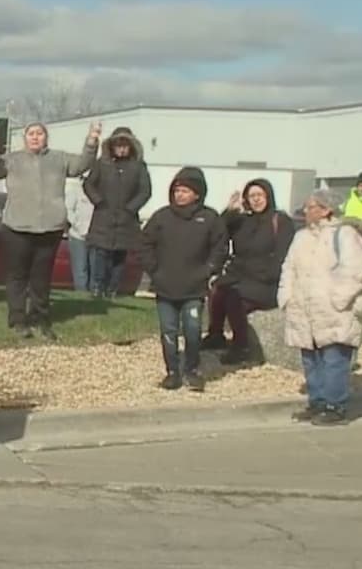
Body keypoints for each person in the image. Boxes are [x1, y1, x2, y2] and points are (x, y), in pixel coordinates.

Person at [0, 121, 100, 339]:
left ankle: (40, 317)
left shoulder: (59, 158)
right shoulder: (12, 159)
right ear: (25, 139)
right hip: (17, 227)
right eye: (31, 134)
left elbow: (82, 164)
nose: (35, 137)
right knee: (17, 275)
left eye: (40, 134)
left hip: (50, 227)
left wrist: (91, 141)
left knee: (41, 277)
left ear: (46, 137)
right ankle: (18, 319)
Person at [279, 190, 362, 426]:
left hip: (334, 310)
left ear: (326, 209)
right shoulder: (301, 237)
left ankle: (335, 406)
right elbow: (289, 268)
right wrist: (286, 296)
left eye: (311, 207)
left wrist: (338, 299)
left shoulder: (345, 235)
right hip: (304, 308)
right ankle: (318, 402)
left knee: (334, 359)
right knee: (311, 359)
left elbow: (356, 270)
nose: (306, 211)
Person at [138, 167, 229, 392]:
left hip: (194, 289)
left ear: (197, 194)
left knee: (192, 329)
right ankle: (172, 372)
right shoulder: (162, 217)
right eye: (177, 190)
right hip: (165, 286)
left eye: (185, 190)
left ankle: (192, 370)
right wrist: (153, 269)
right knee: (168, 331)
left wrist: (208, 270)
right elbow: (144, 244)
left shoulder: (209, 218)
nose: (180, 194)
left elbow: (220, 247)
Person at [206, 179, 296, 365]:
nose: (256, 200)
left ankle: (241, 346)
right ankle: (215, 334)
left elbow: (282, 256)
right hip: (239, 276)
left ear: (268, 196)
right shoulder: (242, 221)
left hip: (266, 281)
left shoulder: (280, 220)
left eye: (260, 195)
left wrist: (264, 275)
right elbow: (217, 231)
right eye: (251, 196)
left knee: (234, 296)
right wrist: (229, 212)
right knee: (217, 289)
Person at [83, 127, 151, 299]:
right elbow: (89, 184)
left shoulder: (138, 167)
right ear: (111, 146)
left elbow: (145, 191)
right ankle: (97, 288)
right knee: (101, 254)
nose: (121, 149)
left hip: (126, 219)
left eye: (125, 146)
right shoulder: (102, 164)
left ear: (131, 147)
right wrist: (98, 201)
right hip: (103, 216)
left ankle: (113, 289)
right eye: (118, 145)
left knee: (119, 257)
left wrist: (131, 208)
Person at [65, 176, 95, 293]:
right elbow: (68, 210)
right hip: (78, 236)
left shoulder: (101, 191)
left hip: (96, 236)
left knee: (95, 270)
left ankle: (94, 297)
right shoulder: (75, 191)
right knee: (80, 269)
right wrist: (79, 227)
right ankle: (81, 294)